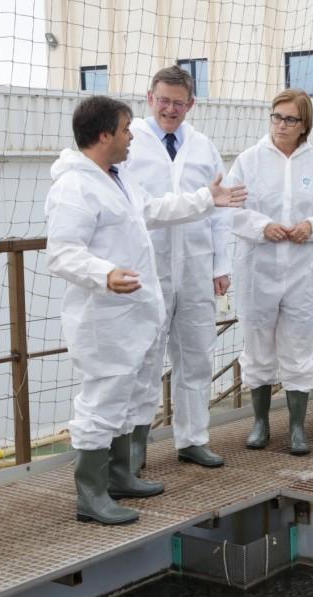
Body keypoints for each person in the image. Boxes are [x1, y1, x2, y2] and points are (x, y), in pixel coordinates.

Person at [45, 95, 246, 525]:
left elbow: (153, 210)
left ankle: (120, 476)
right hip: (104, 319)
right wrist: (104, 273)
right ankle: (90, 495)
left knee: (131, 397)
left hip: (133, 314)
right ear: (104, 136)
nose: (131, 137)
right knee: (102, 401)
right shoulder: (75, 187)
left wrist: (206, 199)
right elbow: (61, 253)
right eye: (124, 130)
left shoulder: (117, 178)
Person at [225, 89, 313, 455]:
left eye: (290, 119)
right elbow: (229, 208)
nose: (281, 125)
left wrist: (312, 226)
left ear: (304, 125)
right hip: (258, 267)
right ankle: (261, 422)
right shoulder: (248, 161)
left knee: (300, 347)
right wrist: (261, 226)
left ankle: (297, 426)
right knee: (257, 345)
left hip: (304, 271)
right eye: (277, 117)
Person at [124, 65, 229, 472]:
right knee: (145, 358)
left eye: (178, 103)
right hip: (147, 268)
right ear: (150, 98)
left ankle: (193, 439)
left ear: (191, 104)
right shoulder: (131, 142)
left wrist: (221, 264)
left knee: (197, 355)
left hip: (196, 267)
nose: (170, 109)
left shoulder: (203, 147)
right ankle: (134, 446)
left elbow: (220, 211)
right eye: (163, 101)